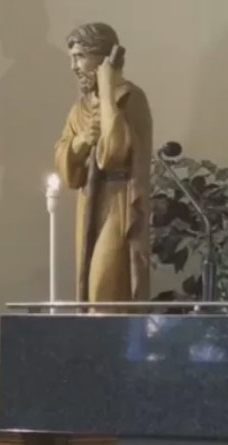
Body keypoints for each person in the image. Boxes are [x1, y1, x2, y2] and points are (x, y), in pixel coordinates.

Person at [54, 22, 153, 303]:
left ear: (102, 58)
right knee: (88, 287)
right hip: (90, 200)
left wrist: (108, 90)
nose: (74, 66)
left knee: (104, 287)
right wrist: (81, 141)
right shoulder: (80, 108)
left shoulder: (130, 98)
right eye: (72, 58)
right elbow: (66, 166)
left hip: (120, 201)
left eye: (80, 57)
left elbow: (114, 152)